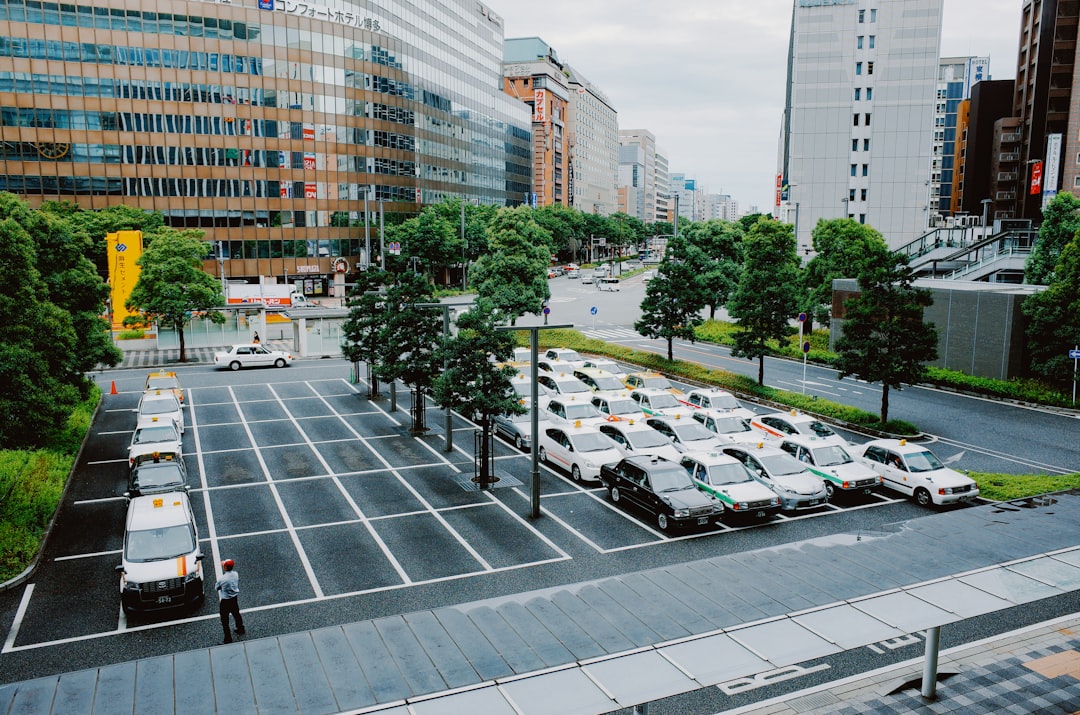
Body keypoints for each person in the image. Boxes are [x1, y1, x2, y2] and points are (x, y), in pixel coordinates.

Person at [216, 558, 245, 643]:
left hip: (225, 601)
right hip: (234, 598)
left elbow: (216, 588)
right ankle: (240, 628)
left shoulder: (222, 579)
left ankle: (228, 638)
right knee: (236, 614)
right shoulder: (235, 574)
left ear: (225, 568)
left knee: (225, 620)